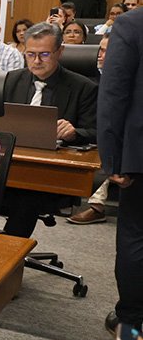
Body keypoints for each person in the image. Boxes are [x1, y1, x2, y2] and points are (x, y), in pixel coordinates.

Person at [0, 22, 98, 238]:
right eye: (30, 54)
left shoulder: (84, 88)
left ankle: (8, 248)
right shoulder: (10, 81)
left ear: (60, 52)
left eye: (44, 54)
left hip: (50, 175)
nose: (36, 61)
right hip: (11, 164)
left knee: (26, 198)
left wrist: (75, 133)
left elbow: (95, 133)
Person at [98, 0, 143, 340]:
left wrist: (111, 158)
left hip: (140, 156)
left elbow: (113, 94)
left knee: (135, 237)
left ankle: (131, 325)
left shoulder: (131, 24)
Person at [69, 35, 114, 226]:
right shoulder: (86, 79)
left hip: (111, 134)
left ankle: (97, 206)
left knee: (109, 149)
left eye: (107, 50)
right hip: (86, 128)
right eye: (100, 49)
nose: (100, 55)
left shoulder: (126, 78)